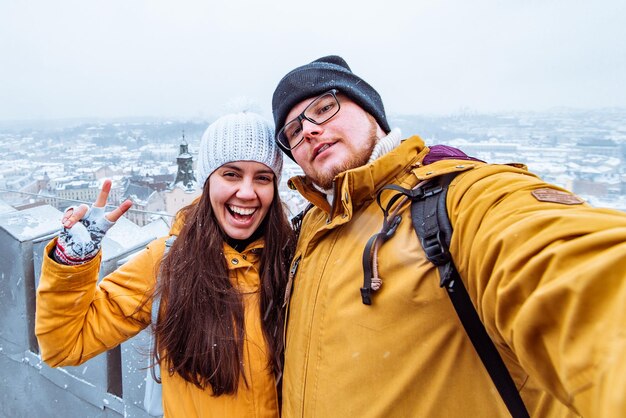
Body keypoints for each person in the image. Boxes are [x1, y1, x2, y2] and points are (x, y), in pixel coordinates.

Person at [271, 55, 626, 417]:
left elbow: (571, 275)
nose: (309, 130)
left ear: (370, 111)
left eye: (324, 108)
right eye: (293, 133)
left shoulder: (456, 198)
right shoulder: (308, 230)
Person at [35, 112, 296, 418]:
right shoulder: (169, 263)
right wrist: (73, 260)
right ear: (207, 181)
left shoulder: (293, 260)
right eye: (231, 174)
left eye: (262, 178)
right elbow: (63, 345)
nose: (247, 192)